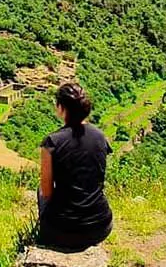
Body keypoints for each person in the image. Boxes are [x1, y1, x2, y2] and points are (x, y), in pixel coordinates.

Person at [38, 83, 113, 252]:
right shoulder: (100, 136)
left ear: (61, 108)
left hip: (63, 232)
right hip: (101, 226)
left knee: (40, 190)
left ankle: (44, 234)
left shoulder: (51, 142)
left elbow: (47, 190)